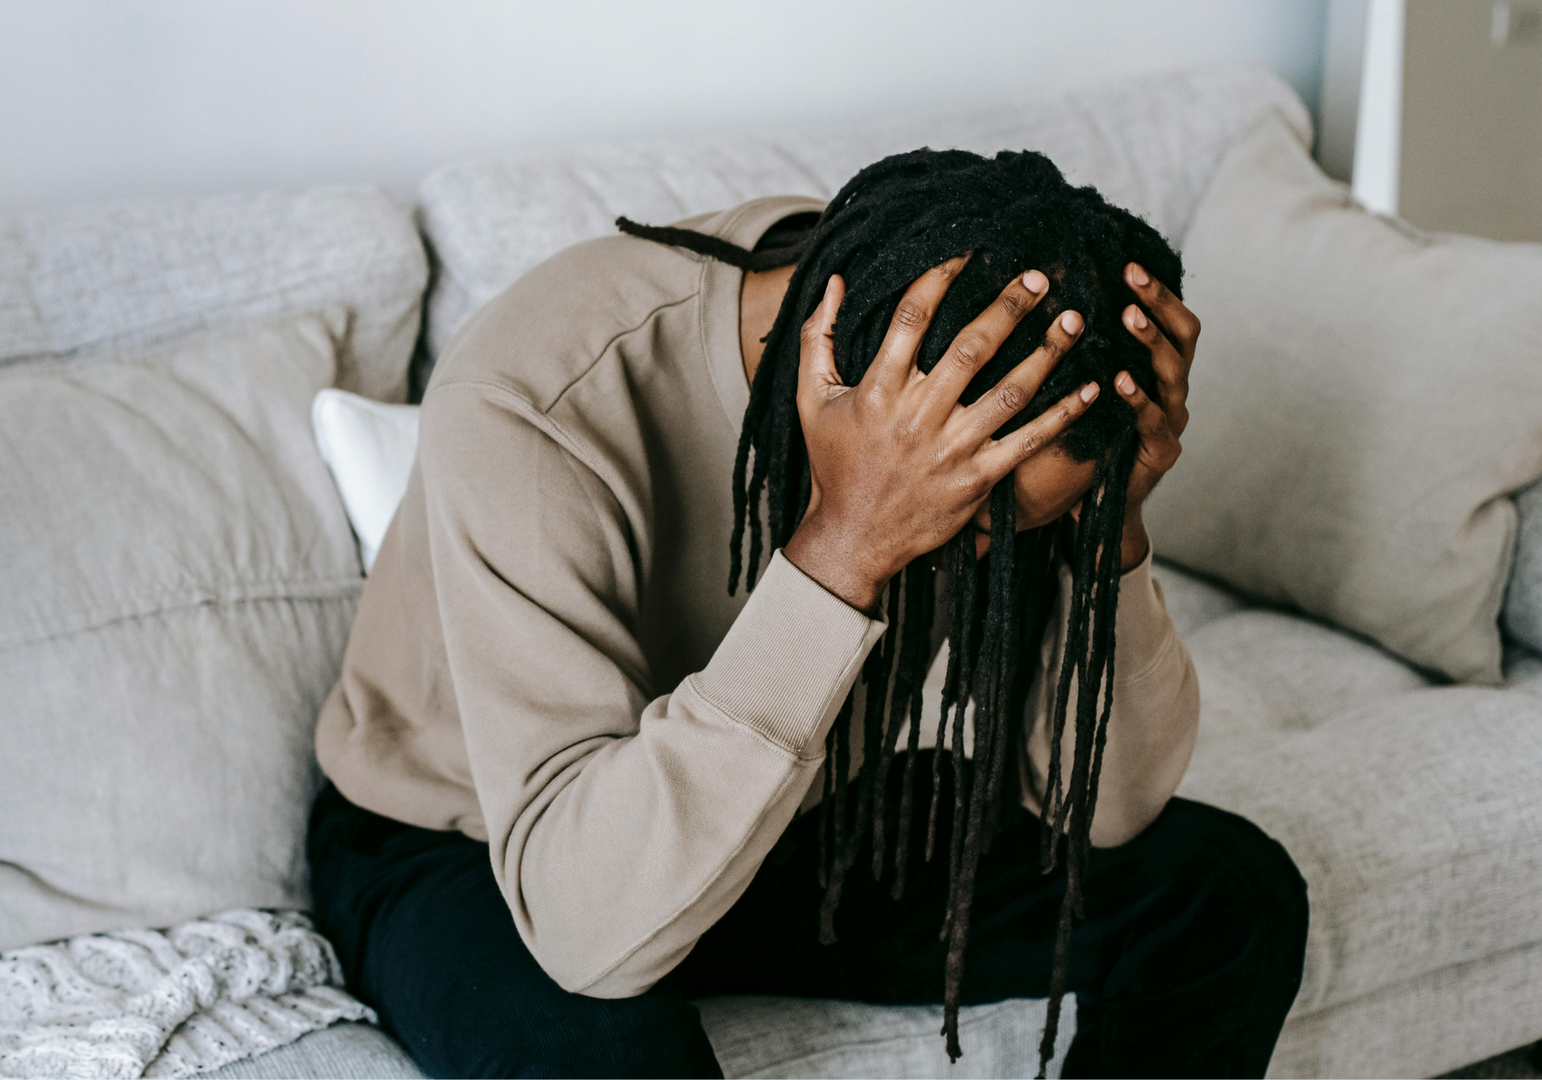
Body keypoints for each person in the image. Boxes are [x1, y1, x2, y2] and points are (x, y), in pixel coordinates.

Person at [309, 149, 1310, 1078]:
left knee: (1224, 898)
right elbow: (586, 931)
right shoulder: (536, 391)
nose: (983, 561)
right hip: (493, 847)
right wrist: (846, 545)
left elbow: (1104, 813)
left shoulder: (983, 348)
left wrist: (1108, 525)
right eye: (974, 526)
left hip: (801, 811)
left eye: (1021, 534)